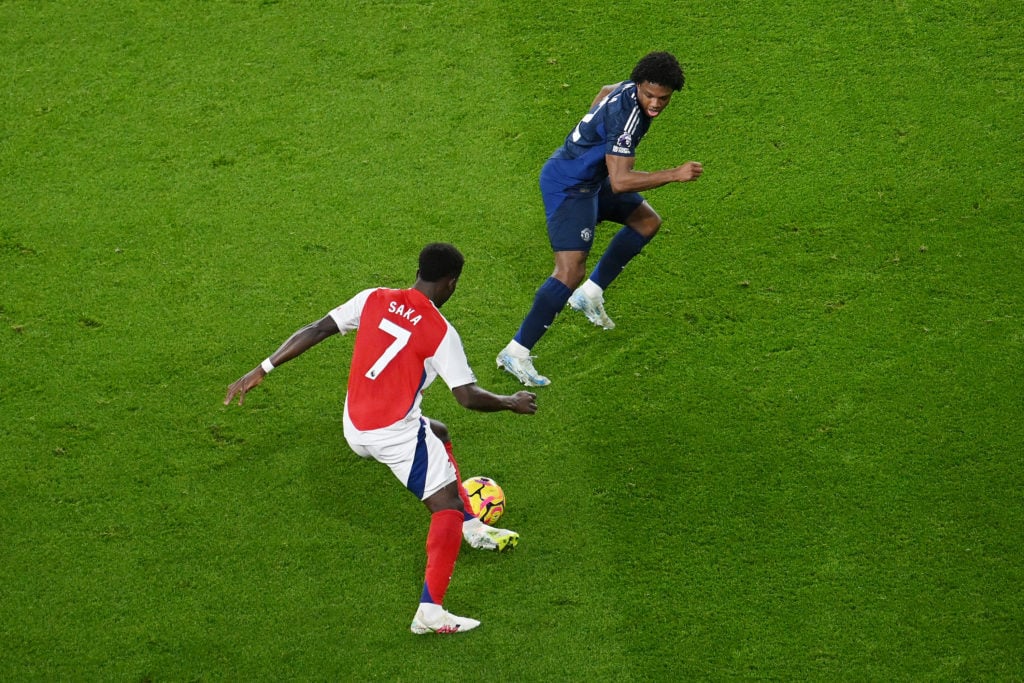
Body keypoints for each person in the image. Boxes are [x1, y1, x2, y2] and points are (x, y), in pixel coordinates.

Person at [224, 243, 537, 635]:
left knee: (437, 433)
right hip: (393, 434)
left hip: (354, 426)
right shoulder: (441, 332)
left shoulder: (373, 298)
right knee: (447, 507)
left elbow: (318, 328)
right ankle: (431, 612)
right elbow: (467, 397)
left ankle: (473, 529)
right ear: (451, 282)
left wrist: (262, 368)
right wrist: (511, 402)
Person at [497, 51, 704, 386]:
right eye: (649, 95)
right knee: (569, 271)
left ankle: (590, 295)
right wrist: (674, 174)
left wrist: (590, 128)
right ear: (640, 86)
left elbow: (606, 90)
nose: (654, 104)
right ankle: (516, 352)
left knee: (647, 222)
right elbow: (621, 181)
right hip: (568, 186)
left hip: (588, 180)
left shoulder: (626, 88)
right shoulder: (629, 118)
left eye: (662, 98)